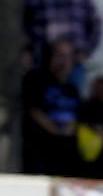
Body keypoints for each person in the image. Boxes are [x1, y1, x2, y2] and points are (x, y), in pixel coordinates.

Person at [20, 37, 83, 175]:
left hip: (67, 149)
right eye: (59, 55)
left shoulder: (72, 89)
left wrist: (67, 131)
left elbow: (76, 119)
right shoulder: (36, 80)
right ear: (50, 57)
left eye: (68, 57)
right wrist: (56, 131)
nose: (63, 61)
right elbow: (33, 111)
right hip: (41, 145)